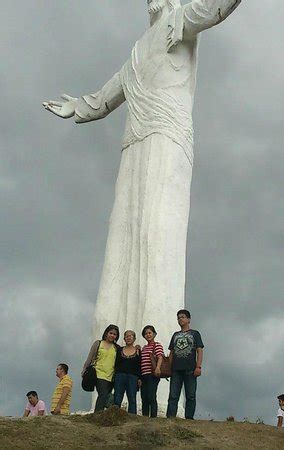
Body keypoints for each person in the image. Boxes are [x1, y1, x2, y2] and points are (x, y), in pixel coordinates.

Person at [43, 0, 243, 348]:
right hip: (133, 144)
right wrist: (77, 106)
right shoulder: (137, 51)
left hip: (168, 137)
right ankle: (110, 364)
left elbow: (214, 8)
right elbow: (105, 97)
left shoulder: (179, 22)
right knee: (121, 237)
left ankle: (159, 374)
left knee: (157, 233)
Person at [166, 309, 204, 420]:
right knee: (173, 395)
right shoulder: (175, 335)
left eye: (182, 317)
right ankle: (171, 417)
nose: (180, 319)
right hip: (176, 369)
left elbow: (199, 350)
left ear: (188, 319)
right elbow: (171, 353)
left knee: (191, 395)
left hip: (191, 369)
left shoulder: (195, 333)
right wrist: (169, 367)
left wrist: (198, 366)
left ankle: (189, 418)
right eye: (178, 317)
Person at [82, 324, 120, 412]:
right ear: (106, 333)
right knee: (102, 394)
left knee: (107, 396)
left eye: (115, 334)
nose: (112, 335)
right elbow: (90, 357)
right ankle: (97, 415)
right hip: (99, 374)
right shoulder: (98, 343)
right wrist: (84, 369)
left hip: (111, 376)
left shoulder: (116, 348)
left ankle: (106, 415)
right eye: (111, 333)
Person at [114, 330, 141, 414]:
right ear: (124, 339)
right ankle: (115, 416)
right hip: (119, 376)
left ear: (134, 338)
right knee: (117, 398)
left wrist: (140, 378)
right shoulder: (119, 350)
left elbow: (139, 365)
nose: (128, 338)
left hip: (133, 377)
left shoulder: (138, 351)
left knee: (132, 399)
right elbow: (116, 364)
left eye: (130, 336)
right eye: (126, 336)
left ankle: (132, 420)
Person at [140, 325, 164, 418]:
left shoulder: (157, 345)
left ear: (154, 334)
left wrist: (158, 368)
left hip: (152, 374)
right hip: (144, 375)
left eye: (149, 333)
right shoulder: (144, 348)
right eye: (146, 334)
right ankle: (145, 417)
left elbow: (160, 357)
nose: (148, 335)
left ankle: (153, 417)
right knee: (144, 397)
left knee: (151, 396)